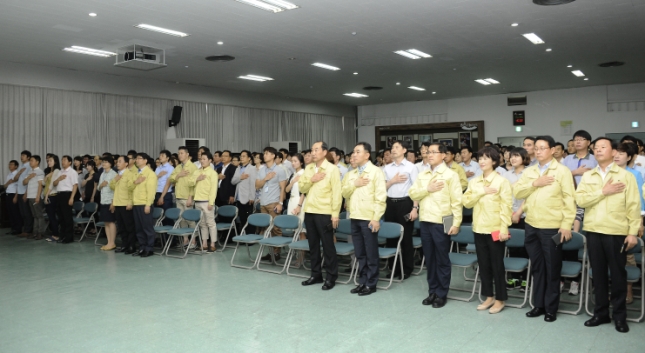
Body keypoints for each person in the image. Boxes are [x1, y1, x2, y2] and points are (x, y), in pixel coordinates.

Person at [575, 137, 640, 333]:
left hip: (616, 232)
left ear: (614, 152)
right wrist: (603, 191)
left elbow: (634, 206)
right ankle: (600, 313)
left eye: (604, 147)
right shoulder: (589, 176)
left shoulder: (625, 176)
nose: (599, 150)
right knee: (599, 275)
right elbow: (581, 200)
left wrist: (632, 232)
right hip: (594, 231)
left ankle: (620, 316)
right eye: (596, 147)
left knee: (618, 276)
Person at [513, 135, 576, 322]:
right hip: (532, 225)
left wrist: (566, 225)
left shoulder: (562, 171)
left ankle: (551, 308)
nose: (538, 151)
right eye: (536, 148)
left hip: (552, 228)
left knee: (552, 268)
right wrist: (535, 183)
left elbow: (569, 199)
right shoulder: (530, 171)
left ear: (552, 150)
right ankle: (538, 305)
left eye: (542, 148)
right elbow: (517, 192)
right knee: (537, 268)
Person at [409, 142, 463, 308]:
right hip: (425, 219)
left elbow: (457, 201)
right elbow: (412, 193)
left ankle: (442, 293)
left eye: (434, 152)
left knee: (442, 258)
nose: (429, 155)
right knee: (430, 258)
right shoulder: (423, 174)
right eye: (428, 152)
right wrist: (428, 189)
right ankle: (432, 291)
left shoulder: (450, 175)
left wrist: (457, 222)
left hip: (444, 220)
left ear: (443, 155)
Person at [463, 147, 513, 314]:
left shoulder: (501, 181)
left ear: (494, 161)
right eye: (480, 158)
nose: (482, 161)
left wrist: (504, 228)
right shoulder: (474, 182)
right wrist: (481, 191)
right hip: (479, 228)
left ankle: (500, 299)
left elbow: (506, 207)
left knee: (497, 265)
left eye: (486, 158)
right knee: (483, 265)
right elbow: (466, 202)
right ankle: (488, 296)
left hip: (495, 229)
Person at [342, 142, 387, 296]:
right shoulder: (351, 174)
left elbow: (381, 197)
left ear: (367, 155)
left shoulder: (376, 172)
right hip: (354, 216)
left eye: (358, 151)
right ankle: (362, 281)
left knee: (370, 252)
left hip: (369, 218)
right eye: (353, 151)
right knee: (360, 252)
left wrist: (376, 218)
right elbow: (345, 193)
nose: (354, 154)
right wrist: (354, 184)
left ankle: (371, 283)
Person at [298, 141, 342, 290]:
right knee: (313, 245)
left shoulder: (332, 169)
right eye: (312, 150)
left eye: (316, 150)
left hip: (325, 212)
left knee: (328, 246)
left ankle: (331, 277)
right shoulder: (309, 168)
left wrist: (335, 214)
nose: (313, 152)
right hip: (310, 211)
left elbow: (337, 193)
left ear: (324, 152)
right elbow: (302, 187)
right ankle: (316, 274)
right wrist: (312, 179)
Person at [382, 140, 419, 279]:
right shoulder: (387, 168)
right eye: (392, 147)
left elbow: (416, 190)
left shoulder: (411, 167)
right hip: (390, 203)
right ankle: (393, 268)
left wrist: (415, 208)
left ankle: (407, 269)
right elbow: (383, 187)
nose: (393, 150)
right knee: (391, 237)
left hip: (405, 203)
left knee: (405, 237)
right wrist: (392, 181)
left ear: (404, 150)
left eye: (397, 147)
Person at [614, 142, 645, 304]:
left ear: (629, 157)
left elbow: (639, 200)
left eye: (622, 153)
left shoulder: (635, 174)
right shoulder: (606, 173)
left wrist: (639, 222)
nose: (617, 156)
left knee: (628, 256)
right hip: (609, 222)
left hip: (627, 222)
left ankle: (628, 290)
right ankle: (612, 290)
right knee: (610, 259)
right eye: (616, 152)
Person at [502, 147, 530, 291]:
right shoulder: (506, 175)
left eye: (517, 156)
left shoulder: (530, 173)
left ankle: (526, 279)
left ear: (524, 158)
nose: (513, 159)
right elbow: (504, 195)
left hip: (525, 216)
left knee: (526, 248)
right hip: (509, 215)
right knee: (513, 246)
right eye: (512, 156)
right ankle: (513, 278)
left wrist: (518, 212)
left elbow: (529, 196)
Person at [255, 147, 287, 260]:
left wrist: (280, 203)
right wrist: (266, 178)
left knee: (276, 228)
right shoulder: (262, 170)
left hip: (274, 202)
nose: (265, 155)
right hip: (263, 202)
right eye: (264, 153)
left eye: (267, 153)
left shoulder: (280, 170)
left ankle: (277, 252)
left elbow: (283, 188)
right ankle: (270, 251)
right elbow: (257, 185)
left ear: (273, 156)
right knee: (266, 228)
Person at [129, 153, 158, 257]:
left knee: (147, 227)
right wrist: (136, 182)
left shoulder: (150, 174)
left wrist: (148, 204)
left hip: (145, 204)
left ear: (145, 161)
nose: (137, 160)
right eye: (136, 158)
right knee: (139, 228)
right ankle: (142, 247)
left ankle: (149, 248)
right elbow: (129, 188)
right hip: (136, 203)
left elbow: (151, 191)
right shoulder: (136, 173)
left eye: (139, 158)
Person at [188, 151, 218, 252]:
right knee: (202, 223)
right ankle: (204, 243)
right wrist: (197, 179)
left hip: (207, 201)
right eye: (201, 159)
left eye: (204, 159)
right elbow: (190, 182)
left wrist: (211, 202)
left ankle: (213, 243)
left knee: (211, 223)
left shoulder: (212, 173)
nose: (202, 161)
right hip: (197, 200)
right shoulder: (197, 171)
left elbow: (213, 189)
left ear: (210, 160)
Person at [169, 146, 198, 249]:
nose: (180, 155)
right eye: (178, 153)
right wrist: (178, 175)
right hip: (178, 196)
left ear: (187, 154)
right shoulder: (178, 167)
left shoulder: (192, 167)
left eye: (181, 153)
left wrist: (191, 197)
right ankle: (186, 240)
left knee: (190, 219)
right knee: (181, 219)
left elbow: (194, 184)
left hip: (187, 197)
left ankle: (194, 241)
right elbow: (171, 179)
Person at [285, 153, 308, 266]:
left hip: (300, 202)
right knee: (295, 231)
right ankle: (298, 256)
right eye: (292, 161)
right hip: (292, 201)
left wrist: (299, 206)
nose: (293, 163)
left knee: (301, 232)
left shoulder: (304, 173)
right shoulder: (293, 174)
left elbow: (304, 192)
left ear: (301, 162)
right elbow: (286, 189)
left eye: (295, 161)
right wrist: (293, 181)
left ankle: (301, 258)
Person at [111, 155, 137, 254]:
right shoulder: (117, 175)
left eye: (120, 161)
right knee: (121, 227)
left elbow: (131, 190)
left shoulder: (130, 174)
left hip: (126, 204)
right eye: (117, 161)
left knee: (129, 227)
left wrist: (130, 202)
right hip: (118, 203)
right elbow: (112, 187)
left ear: (126, 164)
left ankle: (131, 246)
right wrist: (115, 180)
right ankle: (124, 245)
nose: (117, 163)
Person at [54, 155, 79, 244]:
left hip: (67, 195)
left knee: (67, 217)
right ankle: (62, 236)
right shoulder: (60, 172)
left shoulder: (72, 172)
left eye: (64, 160)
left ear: (69, 162)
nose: (62, 161)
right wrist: (59, 178)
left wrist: (71, 198)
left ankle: (69, 238)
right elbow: (54, 183)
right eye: (62, 160)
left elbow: (75, 185)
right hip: (59, 195)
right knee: (61, 217)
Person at [96, 156, 117, 250]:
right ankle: (109, 242)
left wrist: (113, 203)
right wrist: (101, 185)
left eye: (106, 162)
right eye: (103, 162)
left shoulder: (114, 174)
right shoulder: (102, 173)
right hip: (103, 200)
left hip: (110, 201)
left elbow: (116, 190)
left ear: (110, 164)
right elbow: (98, 188)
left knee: (111, 222)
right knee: (106, 222)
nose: (104, 163)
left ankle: (112, 242)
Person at [231, 150, 257, 229]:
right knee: (242, 218)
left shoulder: (252, 168)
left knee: (249, 219)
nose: (241, 158)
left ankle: (250, 236)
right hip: (239, 197)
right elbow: (233, 181)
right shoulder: (238, 168)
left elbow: (253, 184)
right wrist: (240, 178)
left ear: (249, 158)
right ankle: (243, 236)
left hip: (248, 197)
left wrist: (252, 197)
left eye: (243, 156)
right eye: (241, 156)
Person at [24, 155, 45, 240]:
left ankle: (40, 233)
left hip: (36, 196)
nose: (30, 162)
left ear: (37, 162)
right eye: (30, 161)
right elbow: (24, 182)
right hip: (30, 196)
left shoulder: (39, 171)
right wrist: (29, 177)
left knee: (39, 215)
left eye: (32, 160)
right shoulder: (29, 171)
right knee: (34, 215)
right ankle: (35, 232)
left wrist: (38, 196)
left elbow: (40, 185)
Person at [15, 150, 33, 238]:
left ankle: (28, 230)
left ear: (28, 157)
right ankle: (25, 229)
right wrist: (19, 172)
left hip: (25, 193)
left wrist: (26, 193)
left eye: (23, 155)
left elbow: (29, 182)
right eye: (21, 155)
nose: (21, 157)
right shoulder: (21, 166)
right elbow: (16, 180)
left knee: (27, 213)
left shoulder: (29, 166)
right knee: (22, 213)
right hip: (20, 192)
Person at [155, 150, 175, 226]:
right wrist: (158, 175)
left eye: (163, 156)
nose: (160, 157)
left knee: (167, 216)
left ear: (167, 158)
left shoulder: (170, 168)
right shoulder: (158, 168)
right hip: (157, 193)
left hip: (166, 194)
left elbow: (168, 184)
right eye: (160, 155)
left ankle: (170, 236)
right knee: (159, 216)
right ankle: (162, 237)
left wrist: (162, 197)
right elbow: (154, 180)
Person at [4, 160, 22, 235]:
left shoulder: (17, 175)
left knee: (15, 212)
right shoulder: (9, 174)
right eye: (9, 164)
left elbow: (19, 186)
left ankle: (18, 229)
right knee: (10, 213)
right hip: (8, 194)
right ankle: (13, 228)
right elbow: (5, 186)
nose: (10, 166)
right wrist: (8, 183)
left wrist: (16, 196)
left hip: (14, 195)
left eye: (12, 164)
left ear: (16, 166)